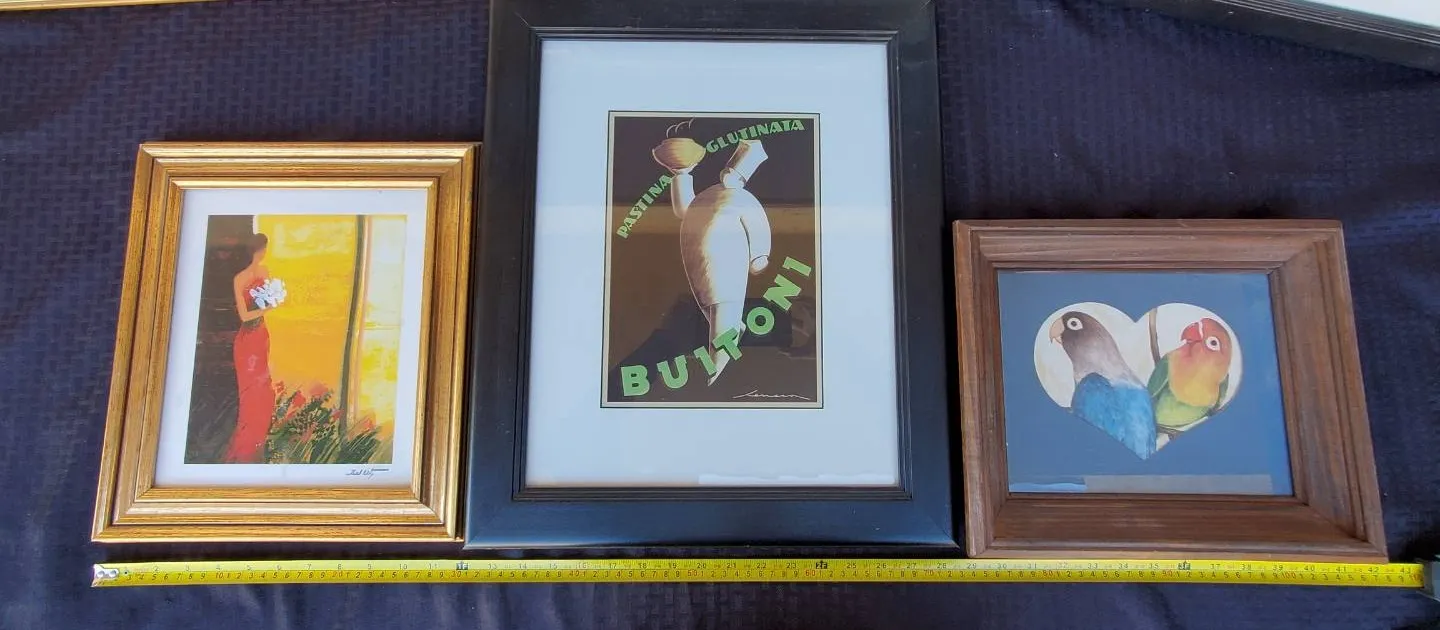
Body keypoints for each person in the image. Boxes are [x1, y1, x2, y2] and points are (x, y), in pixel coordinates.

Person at [224, 233, 278, 463]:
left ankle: (257, 442)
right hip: (247, 341)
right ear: (261, 250)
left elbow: (267, 300)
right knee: (250, 391)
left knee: (262, 388)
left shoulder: (262, 273)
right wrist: (267, 309)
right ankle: (246, 448)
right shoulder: (240, 278)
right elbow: (245, 316)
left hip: (260, 337)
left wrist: (272, 302)